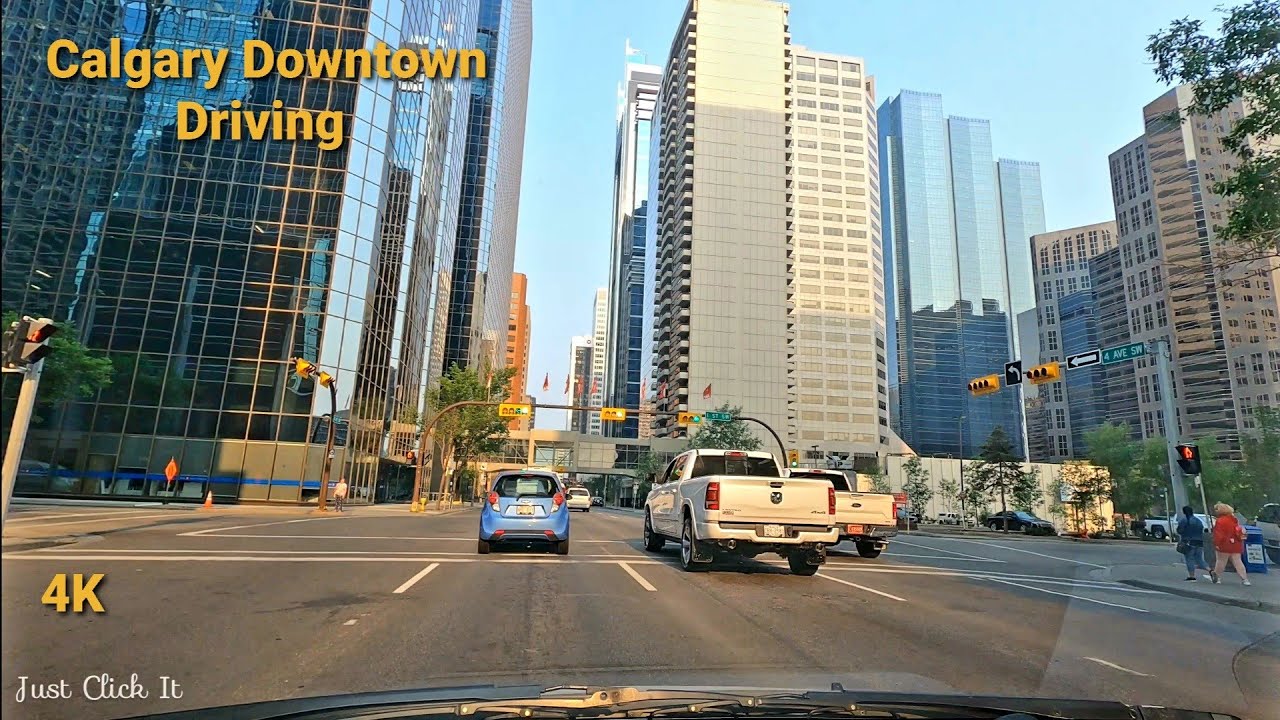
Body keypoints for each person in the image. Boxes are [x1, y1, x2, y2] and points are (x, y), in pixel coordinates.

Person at [1206, 502, 1250, 586]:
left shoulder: (1220, 521)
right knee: (1238, 562)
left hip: (1224, 544)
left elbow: (1219, 535)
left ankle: (1217, 578)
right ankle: (1245, 579)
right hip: (1236, 544)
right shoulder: (1234, 520)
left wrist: (1216, 544)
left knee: (1221, 561)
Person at [1175, 506, 1210, 581]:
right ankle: (1210, 570)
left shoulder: (1184, 520)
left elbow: (1180, 530)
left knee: (1189, 559)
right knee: (1200, 560)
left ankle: (1192, 576)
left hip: (1189, 542)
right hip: (1199, 542)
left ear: (1184, 512)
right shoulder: (1198, 521)